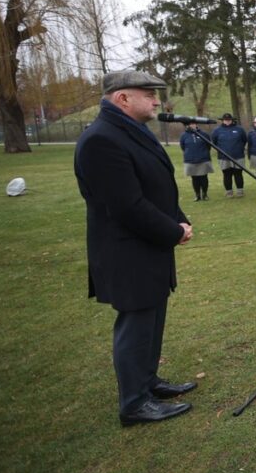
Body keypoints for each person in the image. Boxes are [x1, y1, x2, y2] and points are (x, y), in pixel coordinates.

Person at [74, 70, 196, 426]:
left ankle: (148, 382)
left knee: (152, 317)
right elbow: (127, 206)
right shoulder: (101, 140)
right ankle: (134, 403)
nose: (157, 100)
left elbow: (156, 186)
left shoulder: (130, 131)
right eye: (148, 94)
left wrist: (179, 221)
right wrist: (171, 231)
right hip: (126, 251)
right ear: (122, 98)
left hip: (149, 245)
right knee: (136, 324)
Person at [211, 112, 247, 197]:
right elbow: (214, 142)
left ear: (232, 120)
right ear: (222, 120)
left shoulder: (239, 129)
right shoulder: (217, 130)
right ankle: (229, 192)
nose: (227, 121)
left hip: (238, 156)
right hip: (223, 157)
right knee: (227, 174)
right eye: (225, 120)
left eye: (229, 120)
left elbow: (244, 140)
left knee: (238, 174)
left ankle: (240, 191)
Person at [179, 121, 212, 201]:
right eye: (189, 124)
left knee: (204, 177)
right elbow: (183, 147)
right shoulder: (183, 135)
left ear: (196, 124)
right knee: (195, 178)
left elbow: (208, 146)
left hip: (203, 159)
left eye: (193, 124)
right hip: (190, 160)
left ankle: (204, 194)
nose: (191, 125)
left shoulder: (204, 134)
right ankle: (197, 195)